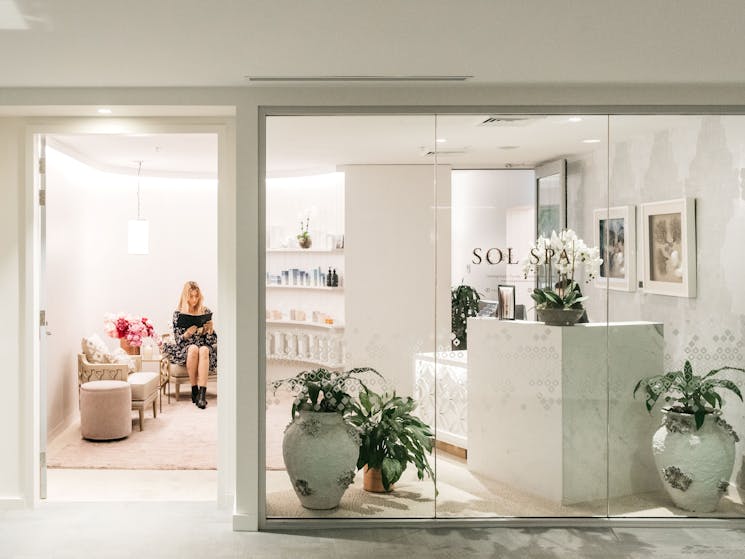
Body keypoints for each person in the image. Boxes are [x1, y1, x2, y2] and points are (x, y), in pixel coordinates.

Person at [166, 281, 217, 409]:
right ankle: (194, 389)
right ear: (185, 296)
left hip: (204, 345)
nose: (194, 299)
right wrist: (187, 334)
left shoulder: (205, 311)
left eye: (196, 296)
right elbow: (178, 340)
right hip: (186, 347)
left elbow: (212, 340)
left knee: (204, 350)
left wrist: (210, 330)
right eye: (191, 296)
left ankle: (202, 395)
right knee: (194, 348)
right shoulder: (178, 314)